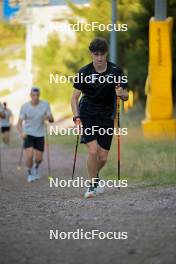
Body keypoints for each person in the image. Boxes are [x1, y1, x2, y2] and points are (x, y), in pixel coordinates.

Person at [71, 37, 128, 198]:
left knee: (102, 157)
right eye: (96, 54)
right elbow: (74, 98)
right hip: (87, 113)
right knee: (93, 150)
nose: (99, 57)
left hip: (107, 115)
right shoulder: (84, 72)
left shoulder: (116, 71)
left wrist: (121, 93)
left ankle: (95, 177)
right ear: (91, 54)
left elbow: (126, 96)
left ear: (106, 53)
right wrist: (76, 117)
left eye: (102, 53)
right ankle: (92, 186)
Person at [17, 87, 54, 183]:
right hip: (28, 133)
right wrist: (21, 133)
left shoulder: (45, 104)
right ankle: (30, 172)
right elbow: (19, 123)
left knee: (39, 158)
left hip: (40, 134)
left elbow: (51, 119)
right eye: (33, 95)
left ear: (39, 95)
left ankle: (36, 168)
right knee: (29, 155)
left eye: (37, 95)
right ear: (30, 96)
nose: (35, 97)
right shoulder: (25, 107)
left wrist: (49, 117)